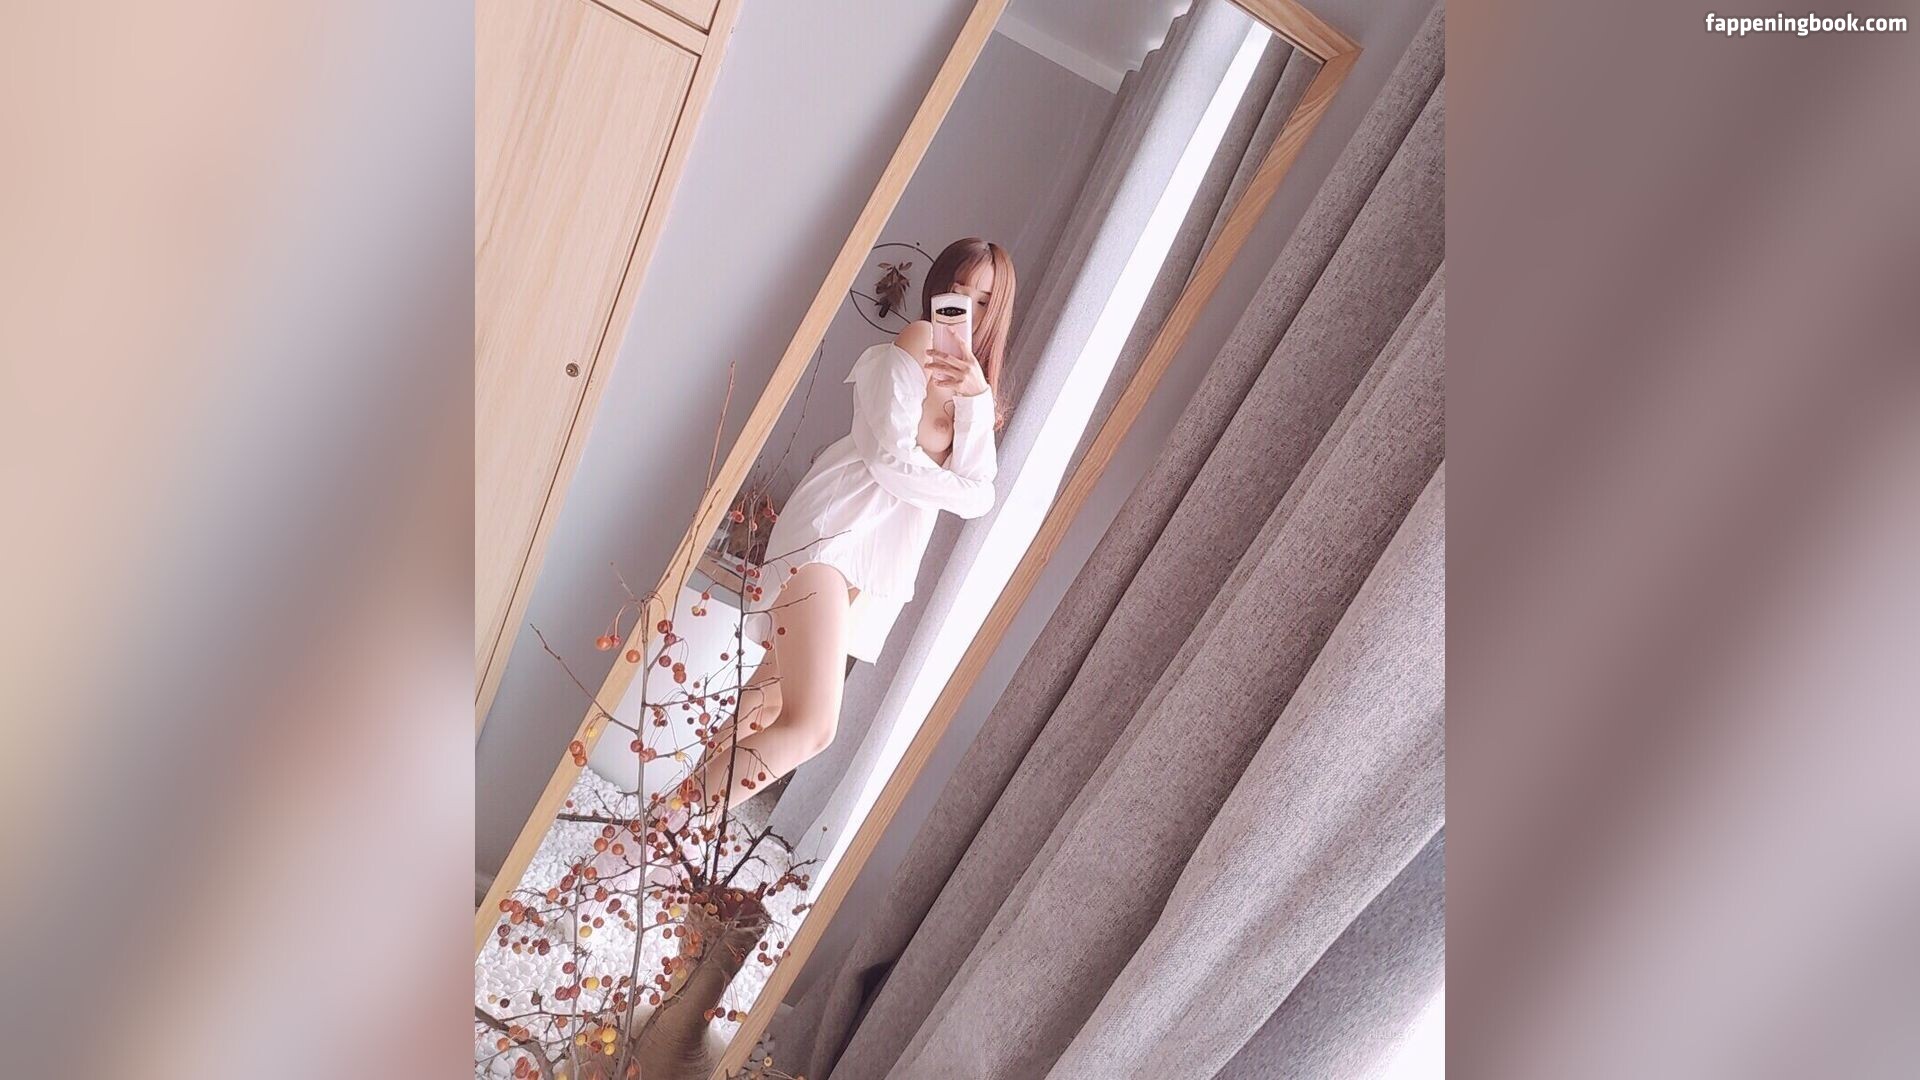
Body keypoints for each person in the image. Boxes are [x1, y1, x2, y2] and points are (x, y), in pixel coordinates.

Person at [662, 237, 1017, 830]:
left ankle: (662, 836)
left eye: (982, 300)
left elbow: (981, 494)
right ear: (937, 289)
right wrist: (954, 485)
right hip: (831, 530)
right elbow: (887, 461)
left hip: (872, 560)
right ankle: (646, 842)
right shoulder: (913, 341)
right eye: (957, 290)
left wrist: (977, 398)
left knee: (768, 702)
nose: (965, 308)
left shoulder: (975, 391)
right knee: (812, 726)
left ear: (997, 312)